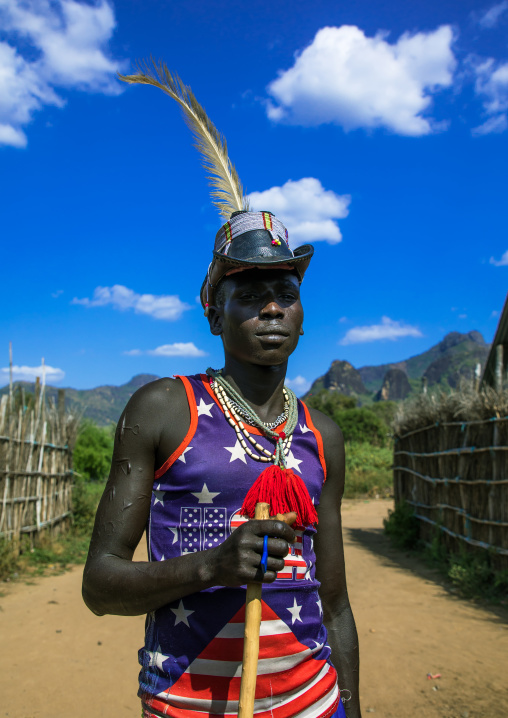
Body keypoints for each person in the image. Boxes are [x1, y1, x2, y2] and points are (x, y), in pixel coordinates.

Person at [82, 209, 361, 718]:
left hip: (315, 704)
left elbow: (335, 603)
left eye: (287, 294)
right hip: (187, 706)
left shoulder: (325, 436)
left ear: (302, 316)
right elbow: (100, 585)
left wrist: (349, 708)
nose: (273, 309)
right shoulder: (164, 409)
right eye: (250, 297)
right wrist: (213, 565)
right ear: (214, 316)